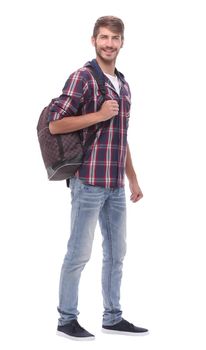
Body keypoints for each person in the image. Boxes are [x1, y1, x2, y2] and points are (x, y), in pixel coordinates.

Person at [48, 15, 148, 340]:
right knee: (78, 253)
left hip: (115, 186)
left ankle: (113, 316)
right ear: (94, 40)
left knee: (117, 253)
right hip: (88, 181)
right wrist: (99, 114)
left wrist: (132, 178)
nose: (109, 43)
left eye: (114, 38)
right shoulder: (83, 77)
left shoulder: (124, 83)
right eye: (103, 37)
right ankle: (66, 320)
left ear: (122, 43)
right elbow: (55, 124)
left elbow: (121, 136)